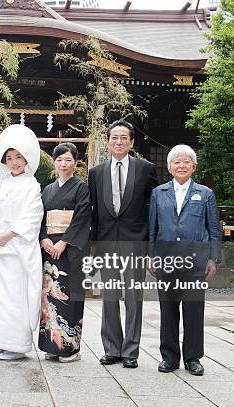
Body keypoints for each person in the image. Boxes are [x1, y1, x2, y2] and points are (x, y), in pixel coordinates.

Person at [88, 119, 158, 368]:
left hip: (135, 241)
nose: (118, 142)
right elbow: (94, 211)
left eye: (123, 138)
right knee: (109, 297)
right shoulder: (96, 173)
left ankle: (130, 351)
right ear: (107, 142)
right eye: (114, 137)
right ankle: (112, 349)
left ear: (131, 142)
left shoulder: (145, 168)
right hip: (106, 241)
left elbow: (154, 209)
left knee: (133, 298)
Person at [148, 144, 221, 376]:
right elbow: (153, 228)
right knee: (168, 310)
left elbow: (214, 229)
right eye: (176, 162)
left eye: (186, 162)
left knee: (193, 310)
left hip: (195, 262)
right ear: (169, 167)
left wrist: (214, 258)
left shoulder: (205, 194)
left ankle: (193, 358)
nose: (181, 165)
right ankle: (169, 357)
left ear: (194, 166)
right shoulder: (159, 193)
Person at [0, 124, 44, 361]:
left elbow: (32, 216)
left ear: (26, 159)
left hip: (16, 251)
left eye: (18, 157)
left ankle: (14, 344)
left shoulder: (32, 186)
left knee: (14, 298)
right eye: (10, 157)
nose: (14, 162)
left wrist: (10, 234)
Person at [38, 142, 91, 363]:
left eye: (68, 159)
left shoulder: (81, 188)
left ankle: (69, 348)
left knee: (71, 296)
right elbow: (40, 216)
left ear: (75, 163)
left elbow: (82, 218)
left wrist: (65, 242)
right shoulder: (47, 190)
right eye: (59, 159)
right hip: (50, 249)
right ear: (54, 162)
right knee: (49, 297)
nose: (63, 163)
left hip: (71, 251)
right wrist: (43, 238)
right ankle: (52, 346)